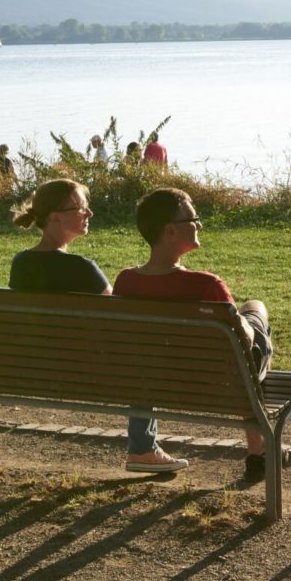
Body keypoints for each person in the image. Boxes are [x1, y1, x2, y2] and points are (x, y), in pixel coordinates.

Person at [115, 188, 275, 480]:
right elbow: (245, 342)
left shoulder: (126, 281)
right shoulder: (206, 286)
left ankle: (258, 447)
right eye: (193, 218)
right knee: (255, 312)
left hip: (153, 379)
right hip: (216, 382)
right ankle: (258, 448)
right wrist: (250, 321)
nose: (199, 224)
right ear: (170, 231)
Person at [8, 179, 110, 295]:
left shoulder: (21, 262)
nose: (89, 213)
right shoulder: (81, 268)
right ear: (55, 217)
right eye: (81, 208)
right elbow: (116, 308)